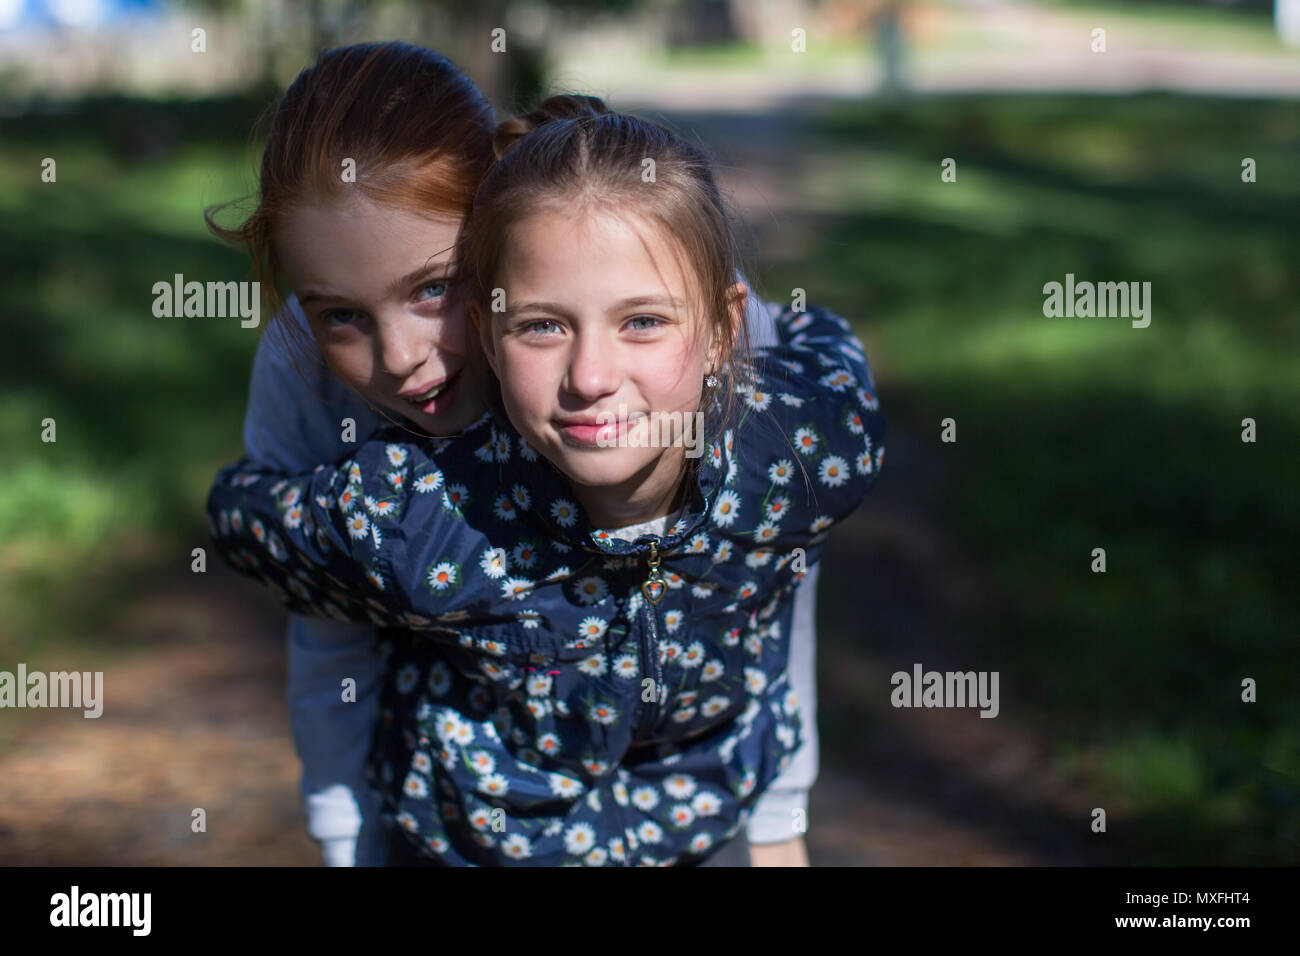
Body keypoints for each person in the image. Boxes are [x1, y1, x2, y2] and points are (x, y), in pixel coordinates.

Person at [208, 42, 835, 866]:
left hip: (691, 804)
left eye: (436, 287)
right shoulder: (302, 366)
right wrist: (347, 839)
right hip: (465, 818)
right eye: (340, 316)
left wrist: (780, 823)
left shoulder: (675, 331)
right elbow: (331, 629)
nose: (399, 357)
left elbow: (767, 571)